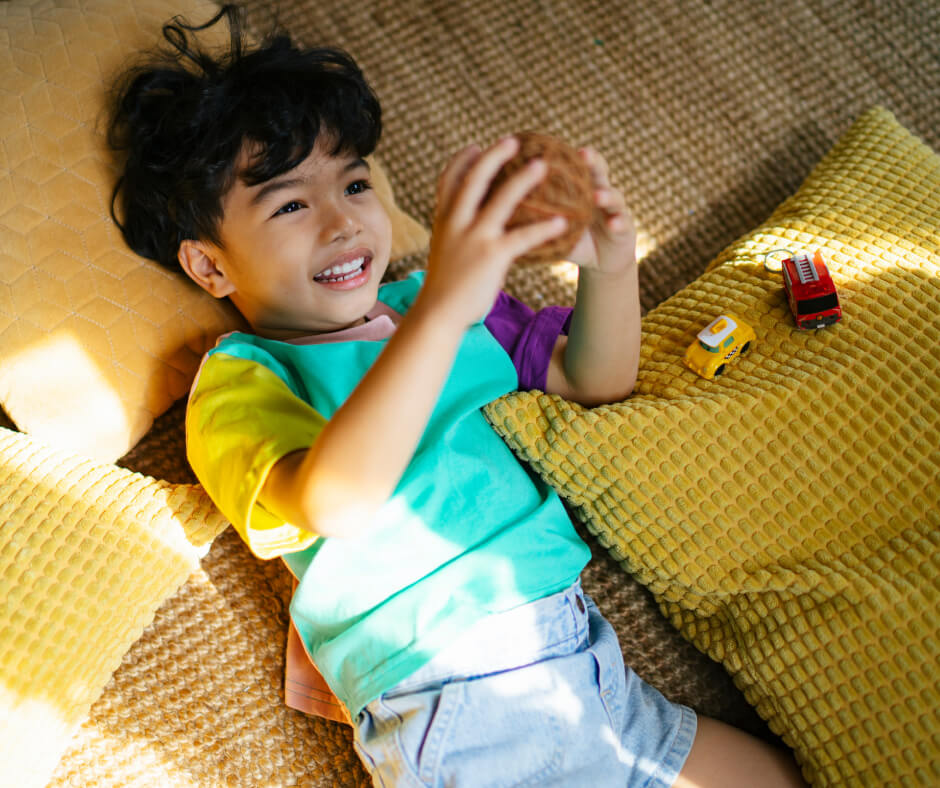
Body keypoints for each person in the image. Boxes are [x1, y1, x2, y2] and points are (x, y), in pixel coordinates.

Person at [108, 5, 806, 786]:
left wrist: (609, 264)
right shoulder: (245, 376)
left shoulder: (434, 299)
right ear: (210, 269)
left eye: (356, 182)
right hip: (453, 692)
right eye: (291, 204)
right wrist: (442, 311)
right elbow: (332, 503)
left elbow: (593, 380)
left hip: (580, 657)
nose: (342, 222)